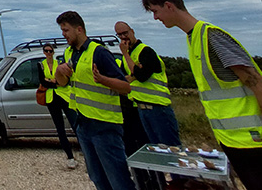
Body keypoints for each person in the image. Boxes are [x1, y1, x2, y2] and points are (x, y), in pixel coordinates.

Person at [142, 0, 262, 190]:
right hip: (238, 145)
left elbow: (261, 89)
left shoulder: (212, 37)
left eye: (155, 11)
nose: (155, 18)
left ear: (169, 6)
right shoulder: (193, 39)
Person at [55, 11, 136, 190]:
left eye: (66, 30)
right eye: (62, 30)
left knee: (118, 179)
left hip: (105, 126)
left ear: (79, 29)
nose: (63, 34)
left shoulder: (99, 53)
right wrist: (59, 71)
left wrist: (102, 79)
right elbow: (62, 83)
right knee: (97, 177)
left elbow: (125, 87)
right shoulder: (69, 53)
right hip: (83, 125)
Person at [114, 21, 180, 147]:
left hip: (158, 107)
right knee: (154, 147)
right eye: (119, 35)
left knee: (170, 147)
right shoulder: (128, 56)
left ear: (132, 31)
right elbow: (124, 79)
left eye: (125, 33)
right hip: (140, 108)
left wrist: (126, 55)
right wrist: (134, 72)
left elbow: (142, 76)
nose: (123, 37)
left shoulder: (145, 51)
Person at [38, 43, 78, 169]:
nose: (49, 53)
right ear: (44, 52)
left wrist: (53, 81)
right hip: (51, 98)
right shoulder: (41, 65)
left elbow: (65, 80)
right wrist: (55, 83)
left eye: (50, 51)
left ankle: (88, 155)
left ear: (53, 52)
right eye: (46, 51)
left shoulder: (59, 62)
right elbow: (42, 81)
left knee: (75, 124)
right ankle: (70, 157)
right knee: (60, 129)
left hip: (64, 96)